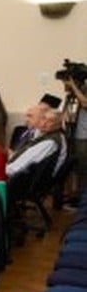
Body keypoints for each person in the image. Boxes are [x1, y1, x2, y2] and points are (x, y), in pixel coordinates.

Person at [7, 108, 66, 180]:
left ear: (58, 125)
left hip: (22, 182)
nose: (44, 123)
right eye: (44, 118)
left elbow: (15, 169)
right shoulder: (46, 135)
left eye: (50, 121)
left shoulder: (50, 142)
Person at [63, 77, 87, 206]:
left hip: (84, 138)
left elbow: (85, 103)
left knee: (83, 169)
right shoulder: (77, 96)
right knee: (76, 169)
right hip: (77, 136)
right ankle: (76, 195)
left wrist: (73, 85)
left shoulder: (82, 96)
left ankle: (82, 199)